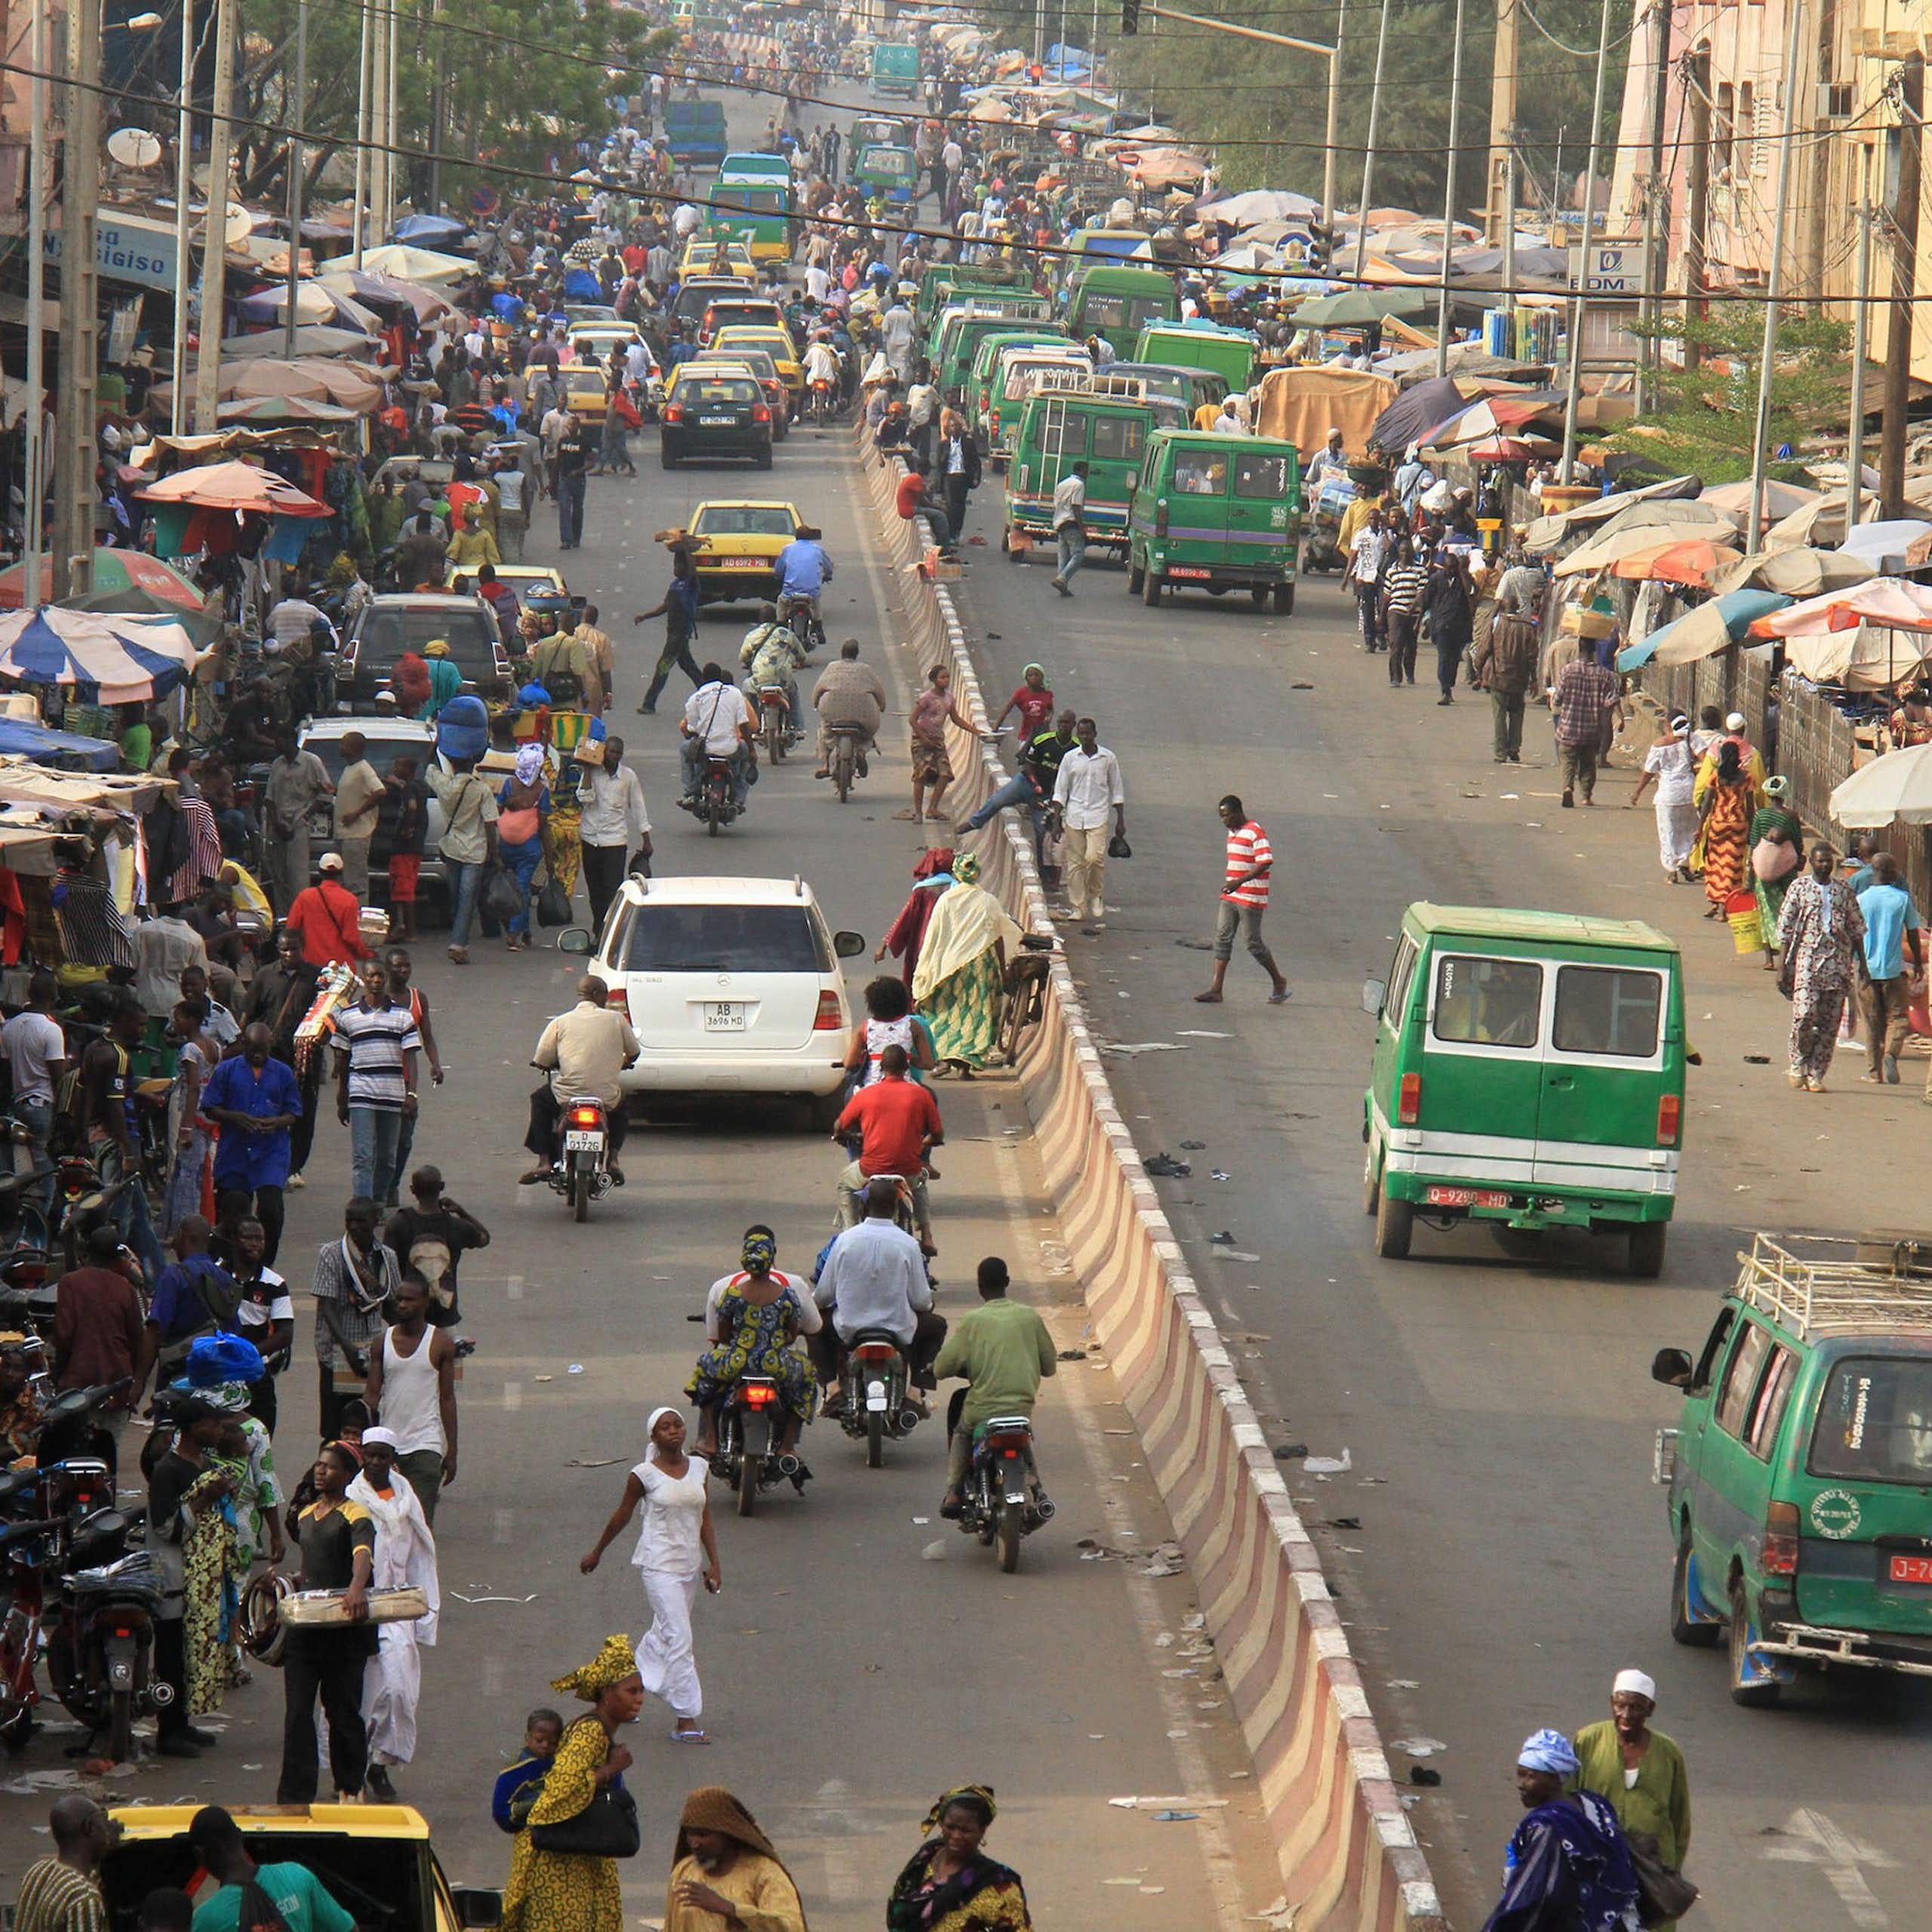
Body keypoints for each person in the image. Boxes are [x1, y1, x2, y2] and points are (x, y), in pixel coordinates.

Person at [578, 1409, 719, 1743]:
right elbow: (622, 1517)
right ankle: (687, 1719)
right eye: (664, 1428)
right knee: (681, 1639)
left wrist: (715, 1564)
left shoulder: (700, 1468)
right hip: (658, 1567)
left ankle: (616, 1693)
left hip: (687, 1566)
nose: (673, 1431)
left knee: (663, 1635)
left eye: (677, 1425)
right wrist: (597, 1551)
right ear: (653, 1437)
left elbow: (706, 1518)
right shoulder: (643, 1475)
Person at [501, 1635, 642, 1932]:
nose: (639, 1698)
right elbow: (560, 1791)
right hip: (556, 1870)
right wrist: (610, 1770)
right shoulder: (589, 1734)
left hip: (579, 1859)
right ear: (607, 1692)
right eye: (631, 1691)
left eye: (641, 1691)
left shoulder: (600, 1731)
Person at [278, 1440, 374, 1803]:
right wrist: (291, 1582)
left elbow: (362, 1556)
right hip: (306, 1631)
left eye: (330, 1467)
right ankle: (294, 1795)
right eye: (319, 1465)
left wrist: (356, 1587)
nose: (321, 1471)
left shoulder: (356, 1515)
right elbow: (310, 1568)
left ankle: (350, 1786)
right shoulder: (305, 1516)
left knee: (343, 1710)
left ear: (348, 1475)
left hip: (343, 1630)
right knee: (298, 1713)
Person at [348, 1426, 439, 1803]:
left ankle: (381, 1762)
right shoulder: (352, 1497)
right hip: (361, 1605)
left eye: (383, 1456)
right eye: (370, 1455)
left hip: (398, 1605)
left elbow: (421, 1552)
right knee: (367, 1693)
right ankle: (355, 1767)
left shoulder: (406, 1497)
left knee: (399, 1690)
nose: (375, 1462)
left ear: (392, 1459)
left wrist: (425, 1610)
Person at [1481, 1730, 1639, 1932]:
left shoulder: (1548, 1826)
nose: (1521, 1785)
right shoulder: (1595, 1804)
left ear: (1555, 1779)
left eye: (1530, 1776)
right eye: (1519, 1775)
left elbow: (1532, 1895)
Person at [934, 1257, 1054, 1518]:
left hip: (982, 1409)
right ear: (1008, 1283)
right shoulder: (1030, 1316)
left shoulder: (972, 1321)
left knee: (963, 1433)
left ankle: (954, 1490)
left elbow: (942, 1368)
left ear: (979, 1287)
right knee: (1022, 1432)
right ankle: (1035, 1485)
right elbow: (1049, 1366)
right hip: (1022, 1406)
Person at [1572, 1669, 1692, 1931]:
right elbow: (1568, 1802)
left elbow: (1679, 1818)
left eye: (1636, 1708)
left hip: (1652, 1867)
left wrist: (1669, 1868)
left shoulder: (1668, 1753)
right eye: (1620, 1705)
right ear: (1611, 1703)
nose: (1626, 1715)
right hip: (1600, 1862)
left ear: (1650, 1710)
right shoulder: (1587, 1741)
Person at [688, 1227, 820, 1461]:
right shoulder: (788, 1295)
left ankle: (709, 1438)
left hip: (737, 1363)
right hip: (776, 1364)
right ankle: (787, 1446)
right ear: (772, 1258)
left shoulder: (732, 1293)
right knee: (808, 1378)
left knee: (704, 1371)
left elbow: (724, 1336)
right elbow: (791, 1335)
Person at [145, 1396, 230, 1759]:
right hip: (173, 1577)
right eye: (214, 1425)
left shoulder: (204, 1463)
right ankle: (169, 1731)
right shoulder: (168, 1470)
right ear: (194, 1429)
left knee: (191, 1652)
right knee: (171, 1655)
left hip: (200, 1578)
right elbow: (167, 1529)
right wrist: (203, 1500)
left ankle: (183, 1722)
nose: (220, 1431)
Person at [813, 1175, 946, 1404]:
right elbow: (922, 1301)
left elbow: (824, 1295)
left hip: (848, 1328)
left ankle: (831, 1386)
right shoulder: (909, 1244)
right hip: (898, 1328)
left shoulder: (845, 1241)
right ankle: (915, 1391)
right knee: (937, 1326)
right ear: (895, 1208)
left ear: (863, 1206)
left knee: (814, 1327)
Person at [201, 1025, 301, 1266]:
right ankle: (232, 1262)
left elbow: (294, 1112)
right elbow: (210, 1107)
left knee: (271, 1211)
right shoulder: (227, 1071)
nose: (258, 1055)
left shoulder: (283, 1073)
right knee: (234, 1211)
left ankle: (264, 1267)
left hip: (270, 1153)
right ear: (244, 1044)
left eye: (263, 1050)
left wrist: (276, 1122)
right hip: (235, 1152)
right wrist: (235, 1117)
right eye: (253, 1050)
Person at [362, 1273, 458, 1526]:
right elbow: (372, 1395)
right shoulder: (382, 1343)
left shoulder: (441, 1344)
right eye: (399, 1300)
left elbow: (447, 1399)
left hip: (425, 1445)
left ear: (426, 1303)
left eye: (409, 1300)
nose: (402, 1305)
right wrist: (362, 1440)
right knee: (385, 1521)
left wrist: (452, 1451)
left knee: (419, 1522)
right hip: (386, 1447)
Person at [525, 978, 639, 1183]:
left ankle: (544, 1162)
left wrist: (548, 1064)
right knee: (621, 1109)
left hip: (566, 1096)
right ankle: (613, 1160)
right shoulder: (616, 1019)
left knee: (539, 1100)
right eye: (605, 994)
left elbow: (542, 1059)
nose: (606, 999)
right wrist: (623, 1062)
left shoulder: (561, 1022)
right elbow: (634, 1052)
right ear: (596, 995)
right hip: (605, 1097)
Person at [913, 854, 1022, 1068]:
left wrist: (927, 964)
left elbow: (934, 936)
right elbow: (997, 936)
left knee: (949, 1010)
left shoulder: (946, 900)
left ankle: (947, 1056)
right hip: (982, 966)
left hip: (951, 966)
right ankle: (967, 1061)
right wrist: (1002, 969)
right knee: (976, 1014)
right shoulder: (988, 901)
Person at [333, 955, 421, 1210]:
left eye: (380, 975)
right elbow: (342, 1059)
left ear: (385, 978)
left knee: (387, 1158)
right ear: (363, 979)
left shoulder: (402, 1017)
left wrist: (411, 1094)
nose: (375, 980)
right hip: (361, 1093)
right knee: (363, 1156)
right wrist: (342, 1096)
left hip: (392, 1094)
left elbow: (411, 1058)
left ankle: (379, 1202)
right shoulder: (348, 1016)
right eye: (370, 975)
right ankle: (364, 1208)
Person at [1777, 842, 1866, 1093]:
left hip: (1838, 963)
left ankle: (1817, 1073)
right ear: (1812, 863)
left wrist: (1864, 969)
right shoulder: (1799, 888)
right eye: (1820, 861)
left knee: (1829, 1022)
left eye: (1828, 861)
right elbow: (1785, 928)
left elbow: (1857, 930)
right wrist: (1782, 967)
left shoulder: (1843, 891)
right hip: (1807, 960)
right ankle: (1798, 1062)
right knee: (1804, 1014)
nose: (1824, 865)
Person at [835, 1043, 943, 1245]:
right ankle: (927, 1235)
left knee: (845, 1183)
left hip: (870, 1170)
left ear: (881, 1068)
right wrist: (921, 1145)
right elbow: (937, 1134)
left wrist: (843, 1135)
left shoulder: (866, 1094)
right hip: (908, 1171)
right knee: (920, 1183)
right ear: (906, 1068)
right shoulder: (921, 1095)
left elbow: (840, 1125)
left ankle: (848, 1234)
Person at [311, 1198, 401, 1440]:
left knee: (368, 1425)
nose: (354, 1226)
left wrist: (407, 1343)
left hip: (371, 1355)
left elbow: (391, 1305)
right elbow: (327, 1307)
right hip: (336, 1354)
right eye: (349, 1220)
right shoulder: (332, 1254)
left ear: (375, 1221)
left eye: (361, 1221)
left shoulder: (386, 1257)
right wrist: (348, 1348)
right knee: (334, 1430)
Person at [185, 1804, 355, 1932]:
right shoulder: (297, 1875)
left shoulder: (207, 1919)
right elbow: (347, 1929)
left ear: (200, 1854)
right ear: (239, 1835)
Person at [886, 1787, 1032, 1932]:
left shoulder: (998, 1884)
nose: (956, 1836)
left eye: (966, 1830)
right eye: (950, 1827)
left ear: (982, 1831)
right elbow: (897, 1908)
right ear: (941, 1824)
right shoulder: (923, 1861)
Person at [663, 1788, 807, 1932]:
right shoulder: (684, 1871)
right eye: (690, 1834)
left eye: (703, 1835)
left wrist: (729, 1909)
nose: (695, 1843)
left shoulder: (765, 1873)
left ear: (728, 1833)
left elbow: (790, 1926)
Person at [1194, 795, 1291, 1005]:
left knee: (1252, 942)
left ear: (1238, 812)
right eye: (1222, 817)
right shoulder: (1233, 833)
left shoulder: (1255, 831)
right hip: (1232, 894)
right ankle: (1216, 989)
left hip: (1251, 896)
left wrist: (1240, 881)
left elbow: (1265, 862)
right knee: (1222, 937)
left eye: (1227, 815)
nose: (1224, 821)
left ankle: (1279, 981)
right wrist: (1234, 884)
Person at [384, 1164, 488, 1330]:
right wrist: (462, 1212)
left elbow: (387, 1268)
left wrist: (390, 1312)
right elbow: (484, 1238)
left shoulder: (398, 1224)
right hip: (444, 1315)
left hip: (408, 1315)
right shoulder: (457, 1226)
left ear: (412, 1190)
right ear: (442, 1188)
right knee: (446, 1354)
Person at [1854, 853, 1924, 1086]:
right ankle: (1891, 1054)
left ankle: (1874, 1073)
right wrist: (1916, 962)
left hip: (1866, 969)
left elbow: (1852, 934)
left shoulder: (1861, 900)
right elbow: (1913, 933)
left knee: (1872, 1021)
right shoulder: (1902, 899)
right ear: (1891, 872)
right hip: (1893, 969)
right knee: (1899, 1017)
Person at [1051, 717, 1127, 931]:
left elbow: (1117, 790)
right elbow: (1060, 791)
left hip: (1098, 815)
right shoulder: (1070, 758)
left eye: (1088, 733)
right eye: (1081, 734)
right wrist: (1056, 821)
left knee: (1094, 858)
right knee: (1075, 864)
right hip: (1074, 815)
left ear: (1095, 734)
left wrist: (1120, 820)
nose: (1084, 737)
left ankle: (1096, 894)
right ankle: (1078, 906)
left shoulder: (1108, 758)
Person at [424, 759, 500, 964]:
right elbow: (490, 823)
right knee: (468, 898)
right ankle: (458, 943)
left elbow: (429, 767)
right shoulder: (481, 789)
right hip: (474, 851)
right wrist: (494, 852)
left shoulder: (444, 785)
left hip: (451, 848)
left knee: (455, 896)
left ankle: (458, 936)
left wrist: (438, 740)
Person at [2, 971, 66, 1212]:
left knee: (14, 1166)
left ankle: (14, 1213)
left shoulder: (10, 1027)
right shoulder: (51, 1030)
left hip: (18, 1105)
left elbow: (5, 1073)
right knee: (44, 1168)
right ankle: (42, 1220)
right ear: (53, 995)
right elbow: (58, 1076)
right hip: (43, 1105)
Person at [13, 1795, 113, 1932]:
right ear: (90, 1828)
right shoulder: (84, 1898)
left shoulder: (38, 1871)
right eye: (103, 1820)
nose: (106, 1828)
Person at [263, 735, 333, 915]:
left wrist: (306, 817)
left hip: (299, 824)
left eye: (279, 740)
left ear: (290, 741)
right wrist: (277, 823)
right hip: (278, 826)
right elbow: (269, 798)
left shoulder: (311, 762)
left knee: (298, 877)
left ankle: (301, 919)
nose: (276, 744)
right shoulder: (277, 764)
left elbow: (326, 794)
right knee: (278, 876)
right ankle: (283, 919)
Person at [1470, 585, 1540, 764]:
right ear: (1518, 608)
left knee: (1499, 714)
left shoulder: (1495, 623)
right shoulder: (1527, 627)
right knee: (1516, 713)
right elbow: (1533, 656)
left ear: (1504, 607)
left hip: (1498, 676)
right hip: (1519, 677)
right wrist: (1534, 679)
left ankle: (1500, 752)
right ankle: (1514, 749)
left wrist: (1478, 670)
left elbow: (1484, 649)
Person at [1629, 713, 1698, 881]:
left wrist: (1637, 792)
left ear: (1668, 724)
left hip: (1668, 794)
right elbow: (1706, 759)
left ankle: (1672, 870)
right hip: (1690, 791)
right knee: (1689, 831)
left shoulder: (1659, 745)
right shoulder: (1691, 739)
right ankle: (1685, 861)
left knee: (1668, 832)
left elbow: (1649, 772)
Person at [495, 744, 552, 952]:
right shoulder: (541, 791)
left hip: (507, 846)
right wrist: (550, 857)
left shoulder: (509, 785)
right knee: (522, 889)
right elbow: (544, 827)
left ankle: (517, 930)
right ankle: (518, 930)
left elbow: (496, 812)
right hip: (529, 848)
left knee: (517, 888)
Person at [636, 546, 704, 715]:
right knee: (689, 667)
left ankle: (649, 704)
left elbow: (693, 572)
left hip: (679, 635)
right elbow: (665, 606)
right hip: (673, 634)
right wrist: (645, 616)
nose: (674, 568)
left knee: (663, 667)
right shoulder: (675, 585)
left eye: (677, 565)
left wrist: (687, 549)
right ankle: (708, 693)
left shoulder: (690, 584)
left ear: (685, 567)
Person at [875, 847, 955, 989]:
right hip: (949, 948)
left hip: (922, 947)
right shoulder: (959, 891)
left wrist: (884, 946)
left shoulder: (921, 891)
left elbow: (904, 919)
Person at [1695, 740, 1756, 920]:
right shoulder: (1747, 777)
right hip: (1738, 825)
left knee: (1715, 864)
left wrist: (1700, 828)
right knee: (1733, 866)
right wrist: (1752, 830)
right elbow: (1750, 807)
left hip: (1718, 824)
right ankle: (1725, 909)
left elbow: (1707, 803)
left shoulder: (1716, 776)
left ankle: (1715, 902)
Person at [1748, 774, 1804, 968]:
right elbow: (1797, 843)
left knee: (1765, 912)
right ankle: (1786, 955)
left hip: (1763, 868)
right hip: (1786, 870)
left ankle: (1768, 959)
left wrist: (1749, 876)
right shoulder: (1791, 816)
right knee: (1788, 911)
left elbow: (1754, 844)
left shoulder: (1760, 816)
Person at [679, 664, 756, 808]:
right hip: (731, 749)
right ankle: (739, 798)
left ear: (703, 678)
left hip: (705, 750)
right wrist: (752, 751)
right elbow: (745, 724)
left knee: (684, 749)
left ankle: (690, 792)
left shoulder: (695, 698)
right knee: (745, 758)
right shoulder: (735, 694)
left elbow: (690, 729)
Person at [844, 974, 936, 1091]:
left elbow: (849, 1064)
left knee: (848, 1097)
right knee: (930, 1098)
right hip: (906, 1085)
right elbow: (928, 1063)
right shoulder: (913, 1026)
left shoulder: (864, 1029)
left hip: (870, 1086)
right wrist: (908, 1059)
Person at [811, 639, 887, 780]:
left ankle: (825, 765)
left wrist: (815, 704)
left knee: (824, 730)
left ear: (842, 653)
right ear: (857, 654)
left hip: (833, 712)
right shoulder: (866, 669)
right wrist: (881, 706)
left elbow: (818, 689)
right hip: (863, 714)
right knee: (868, 735)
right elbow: (879, 692)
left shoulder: (832, 667)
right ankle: (862, 752)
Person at [285, 851, 370, 969]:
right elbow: (351, 937)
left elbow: (291, 928)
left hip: (310, 965)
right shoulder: (350, 900)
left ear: (319, 872)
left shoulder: (305, 896)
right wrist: (365, 954)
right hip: (340, 968)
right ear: (341, 873)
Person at [332, 734, 385, 901]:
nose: (340, 747)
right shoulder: (349, 769)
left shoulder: (363, 769)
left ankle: (358, 922)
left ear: (354, 748)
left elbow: (380, 792)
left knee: (355, 884)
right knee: (342, 883)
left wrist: (356, 814)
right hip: (343, 835)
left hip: (356, 836)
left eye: (344, 744)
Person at [492, 1708, 563, 1833]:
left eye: (552, 1742)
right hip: (529, 1836)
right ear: (527, 1738)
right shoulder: (516, 1770)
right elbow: (500, 1811)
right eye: (539, 1741)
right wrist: (535, 1805)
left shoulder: (561, 1762)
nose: (545, 1746)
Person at [1426, 547, 1474, 705]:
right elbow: (1426, 599)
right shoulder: (1436, 579)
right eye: (1450, 567)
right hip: (1441, 625)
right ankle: (1445, 690)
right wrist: (1422, 621)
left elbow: (1472, 594)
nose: (1452, 570)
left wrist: (1463, 574)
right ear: (1444, 566)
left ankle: (1449, 685)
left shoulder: (1464, 580)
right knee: (1444, 658)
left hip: (1460, 626)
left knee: (1454, 659)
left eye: (1455, 567)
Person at [1380, 540, 1428, 687]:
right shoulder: (1392, 570)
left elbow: (1421, 595)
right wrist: (1381, 617)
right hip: (1396, 611)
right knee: (1396, 644)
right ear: (1398, 552)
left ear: (1413, 552)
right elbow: (1387, 596)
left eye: (1408, 551)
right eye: (1402, 551)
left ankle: (1409, 671)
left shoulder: (1421, 570)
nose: (1405, 554)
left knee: (1411, 646)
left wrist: (1418, 619)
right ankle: (1395, 677)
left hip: (1413, 614)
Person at [1048, 460, 1088, 596]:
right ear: (1082, 470)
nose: (1087, 473)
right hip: (1072, 524)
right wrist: (1082, 528)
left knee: (1063, 558)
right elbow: (1076, 506)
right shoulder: (1079, 485)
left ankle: (1062, 586)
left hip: (1059, 523)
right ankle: (1062, 578)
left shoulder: (1062, 484)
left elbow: (1056, 505)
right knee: (1078, 555)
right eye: (1086, 470)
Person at [555, 412, 590, 550]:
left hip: (579, 480)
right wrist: (552, 482)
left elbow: (592, 462)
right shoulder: (562, 441)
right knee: (564, 508)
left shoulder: (583, 442)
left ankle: (576, 537)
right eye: (569, 424)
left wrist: (579, 471)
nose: (570, 427)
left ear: (577, 426)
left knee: (577, 510)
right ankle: (566, 540)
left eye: (573, 424)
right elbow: (558, 461)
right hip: (564, 479)